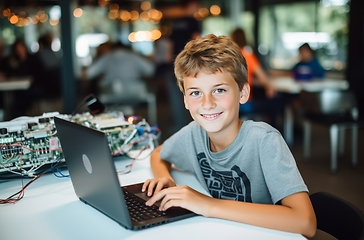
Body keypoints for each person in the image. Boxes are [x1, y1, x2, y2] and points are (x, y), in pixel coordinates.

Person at [141, 34, 316, 238]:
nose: (207, 103)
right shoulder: (193, 134)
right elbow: (159, 153)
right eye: (196, 93)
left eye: (219, 90)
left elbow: (306, 222)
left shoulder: (264, 140)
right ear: (186, 101)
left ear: (243, 93)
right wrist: (165, 179)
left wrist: (209, 205)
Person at [83, 41, 155, 116]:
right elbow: (150, 70)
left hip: (111, 95)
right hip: (136, 94)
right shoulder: (134, 56)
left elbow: (89, 73)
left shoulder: (107, 57)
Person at [231, 28, 283, 129]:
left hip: (231, 102)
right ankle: (274, 133)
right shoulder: (247, 55)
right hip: (245, 103)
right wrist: (269, 86)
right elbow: (263, 78)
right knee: (277, 103)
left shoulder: (229, 57)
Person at [165, 0, 202, 133]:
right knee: (193, 93)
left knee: (176, 95)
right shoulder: (193, 21)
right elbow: (197, 40)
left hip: (176, 63)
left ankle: (180, 126)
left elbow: (170, 43)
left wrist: (169, 57)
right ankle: (195, 127)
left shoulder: (177, 22)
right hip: (189, 62)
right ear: (191, 5)